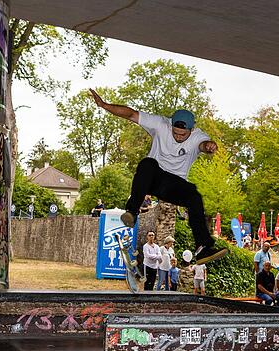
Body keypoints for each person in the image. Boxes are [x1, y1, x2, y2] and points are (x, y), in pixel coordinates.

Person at [89, 89, 227, 265]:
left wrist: (209, 146)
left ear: (191, 131)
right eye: (175, 132)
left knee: (194, 195)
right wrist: (104, 105)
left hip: (174, 184)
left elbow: (203, 145)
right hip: (154, 177)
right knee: (147, 163)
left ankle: (203, 247)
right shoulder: (160, 124)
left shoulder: (198, 136)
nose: (178, 137)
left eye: (182, 135)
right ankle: (132, 211)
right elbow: (131, 114)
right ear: (170, 125)